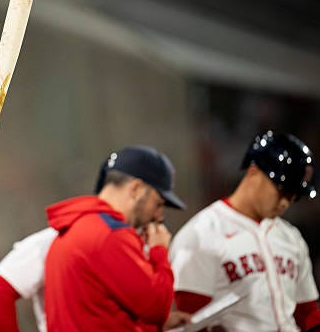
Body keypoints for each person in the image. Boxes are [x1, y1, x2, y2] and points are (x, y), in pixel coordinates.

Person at [169, 130, 320, 331]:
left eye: (293, 196)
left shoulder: (290, 236)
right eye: (282, 190)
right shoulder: (201, 234)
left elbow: (307, 313)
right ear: (254, 172)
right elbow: (190, 320)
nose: (285, 202)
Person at [43, 146, 189, 331]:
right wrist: (159, 251)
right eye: (157, 203)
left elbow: (98, 313)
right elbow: (157, 308)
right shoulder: (111, 235)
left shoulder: (78, 226)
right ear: (136, 188)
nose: (159, 216)